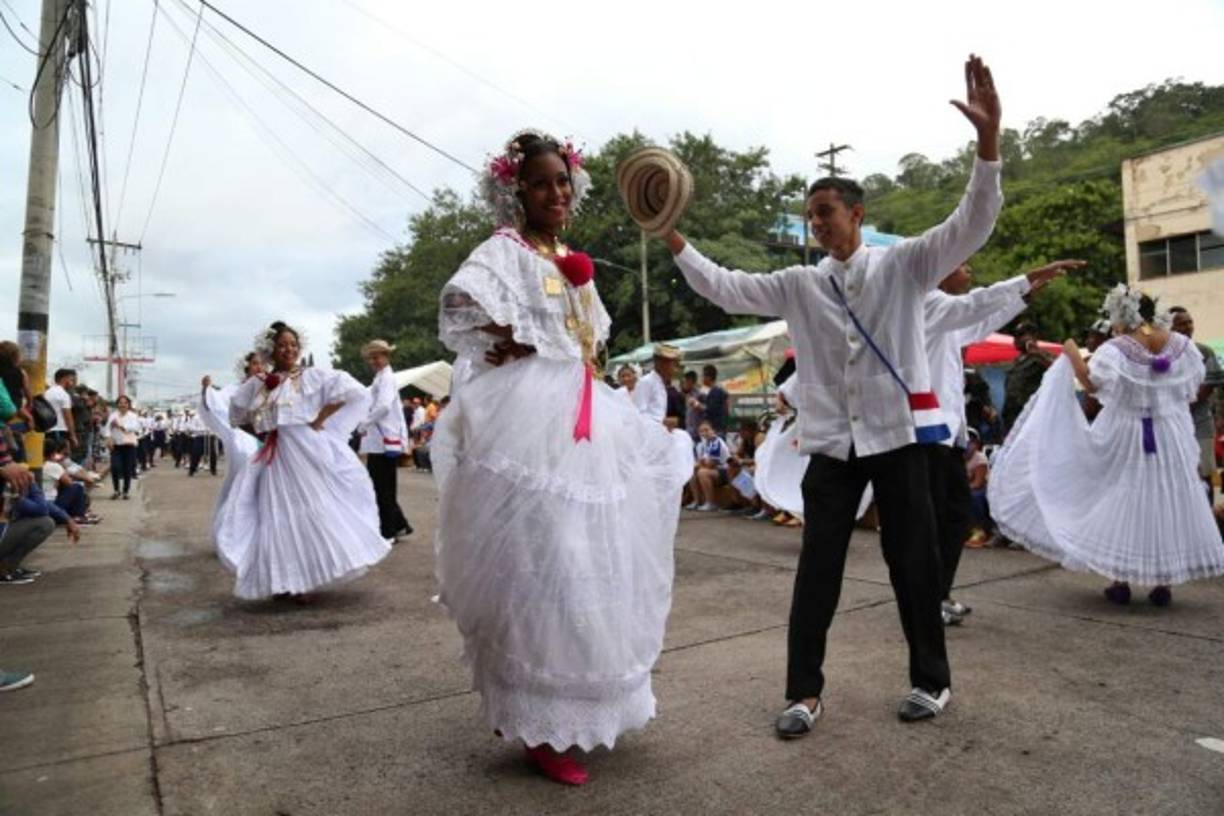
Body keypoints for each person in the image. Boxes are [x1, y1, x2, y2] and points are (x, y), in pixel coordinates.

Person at [662, 55, 1003, 733]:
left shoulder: (905, 265)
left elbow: (970, 223)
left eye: (825, 211)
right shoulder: (798, 284)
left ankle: (931, 681)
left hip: (899, 442)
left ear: (857, 213)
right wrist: (670, 235)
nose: (815, 222)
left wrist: (988, 145)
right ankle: (802, 693)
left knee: (912, 564)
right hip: (834, 449)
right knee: (817, 570)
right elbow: (724, 286)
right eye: (809, 214)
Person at [433, 130, 690, 786]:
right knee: (540, 561)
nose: (557, 193)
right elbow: (458, 308)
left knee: (591, 556)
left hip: (584, 415)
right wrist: (508, 341)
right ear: (517, 189)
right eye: (544, 182)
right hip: (529, 420)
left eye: (564, 182)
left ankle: (562, 705)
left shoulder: (571, 255)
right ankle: (531, 717)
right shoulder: (505, 249)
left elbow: (590, 338)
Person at [989, 285, 1224, 606]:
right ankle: (1163, 582)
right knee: (1166, 497)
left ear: (1122, 314)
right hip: (1170, 432)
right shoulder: (1181, 346)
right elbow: (1192, 384)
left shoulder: (1117, 349)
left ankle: (1122, 578)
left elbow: (1092, 384)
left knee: (1122, 497)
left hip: (1127, 431)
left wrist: (1071, 352)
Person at [922, 258, 1081, 625]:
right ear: (941, 270)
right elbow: (977, 304)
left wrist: (1022, 297)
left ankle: (937, 594)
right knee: (939, 518)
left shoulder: (947, 317)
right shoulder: (929, 305)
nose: (970, 271)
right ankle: (929, 598)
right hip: (926, 434)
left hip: (945, 434)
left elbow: (979, 320)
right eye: (962, 264)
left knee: (953, 515)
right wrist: (1023, 282)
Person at [215, 321, 390, 601]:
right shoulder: (259, 383)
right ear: (270, 350)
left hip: (308, 450)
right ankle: (283, 581)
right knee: (278, 513)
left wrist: (319, 419)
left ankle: (304, 579)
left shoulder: (311, 376)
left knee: (313, 509)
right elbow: (237, 415)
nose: (289, 350)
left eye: (293, 345)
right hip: (278, 454)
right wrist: (263, 432)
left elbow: (352, 392)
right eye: (282, 345)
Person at [357, 339, 413, 541]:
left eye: (377, 356)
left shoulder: (386, 378)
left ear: (386, 356)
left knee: (382, 486)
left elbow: (383, 407)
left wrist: (364, 424)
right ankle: (398, 525)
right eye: (371, 357)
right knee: (382, 485)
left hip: (383, 440)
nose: (373, 360)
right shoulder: (381, 377)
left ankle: (389, 529)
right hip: (380, 440)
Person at [1169, 306, 1221, 503]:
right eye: (1181, 323)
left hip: (1200, 424)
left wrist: (1177, 410)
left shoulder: (1204, 351)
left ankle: (1206, 514)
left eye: (1189, 322)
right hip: (1173, 426)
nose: (1187, 327)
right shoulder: (1163, 355)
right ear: (1170, 327)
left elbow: (1207, 387)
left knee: (1204, 474)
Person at [1002, 321, 1053, 434]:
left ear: (1033, 336)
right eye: (1014, 336)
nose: (1015, 339)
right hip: (1011, 415)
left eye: (1020, 335)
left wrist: (1038, 354)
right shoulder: (1016, 361)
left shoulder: (1041, 356)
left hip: (1030, 415)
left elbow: (1057, 369)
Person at [686, 420, 732, 511]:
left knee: (702, 472)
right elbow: (702, 462)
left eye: (707, 430)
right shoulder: (701, 445)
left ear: (713, 430)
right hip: (714, 470)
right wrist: (700, 463)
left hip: (726, 471)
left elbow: (711, 464)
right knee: (691, 472)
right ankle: (697, 501)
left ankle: (710, 503)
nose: (704, 433)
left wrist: (701, 463)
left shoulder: (715, 442)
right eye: (701, 431)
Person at [633, 344, 681, 423]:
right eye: (672, 364)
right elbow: (639, 414)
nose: (674, 369)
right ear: (659, 363)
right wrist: (662, 421)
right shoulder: (646, 382)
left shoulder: (661, 384)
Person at [106, 395, 141, 500]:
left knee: (127, 469)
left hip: (129, 446)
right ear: (117, 404)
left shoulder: (133, 416)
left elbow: (134, 428)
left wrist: (120, 426)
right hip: (116, 446)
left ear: (128, 404)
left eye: (125, 403)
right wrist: (108, 438)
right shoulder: (113, 415)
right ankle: (116, 490)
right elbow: (107, 429)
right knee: (115, 467)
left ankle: (126, 491)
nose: (123, 405)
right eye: (120, 403)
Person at [43, 368, 78, 454]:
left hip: (47, 431)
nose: (73, 383)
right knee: (60, 456)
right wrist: (73, 436)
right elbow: (68, 418)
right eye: (71, 380)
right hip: (59, 431)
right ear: (64, 379)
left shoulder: (47, 392)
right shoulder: (63, 395)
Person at [691, 365, 729, 437]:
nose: (702, 379)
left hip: (716, 430)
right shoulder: (710, 390)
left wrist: (695, 403)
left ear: (709, 377)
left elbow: (709, 409)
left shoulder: (717, 391)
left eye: (703, 376)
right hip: (714, 429)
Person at [680, 370, 703, 441]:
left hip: (697, 432)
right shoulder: (682, 394)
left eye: (686, 381)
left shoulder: (700, 394)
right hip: (685, 431)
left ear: (691, 381)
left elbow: (707, 409)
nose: (684, 383)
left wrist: (698, 405)